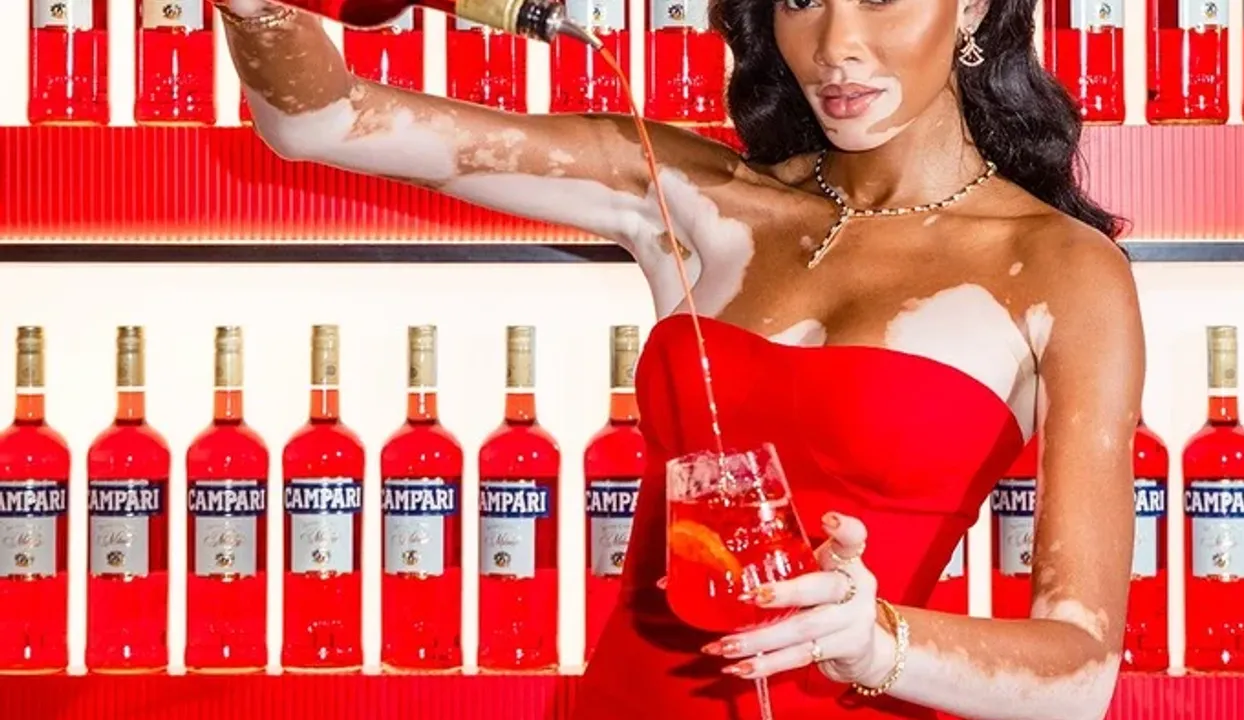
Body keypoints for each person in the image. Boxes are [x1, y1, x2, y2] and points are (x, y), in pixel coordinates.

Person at [216, 0, 1143, 717]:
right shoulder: (700, 198)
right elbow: (321, 120)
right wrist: (258, 11)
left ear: (973, 8)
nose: (836, 47)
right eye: (802, 0)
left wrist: (874, 640)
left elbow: (1079, 675)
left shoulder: (1060, 271)